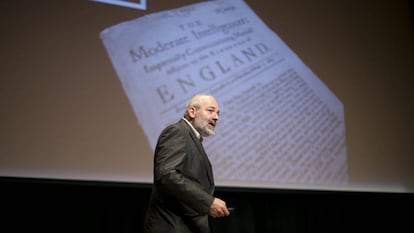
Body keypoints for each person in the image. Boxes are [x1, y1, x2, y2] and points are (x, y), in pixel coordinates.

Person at [143, 93, 230, 233]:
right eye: (210, 110)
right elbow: (167, 175)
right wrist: (208, 202)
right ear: (192, 111)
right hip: (172, 227)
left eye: (218, 113)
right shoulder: (177, 132)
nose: (216, 117)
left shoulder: (193, 138)